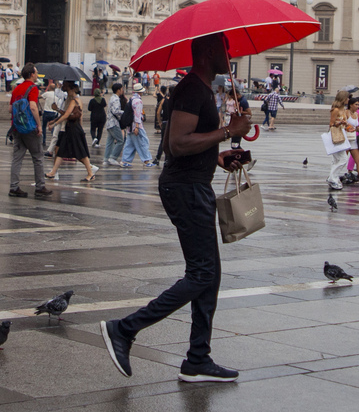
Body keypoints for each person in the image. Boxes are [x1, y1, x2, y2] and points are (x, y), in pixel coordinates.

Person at [100, 32, 249, 383]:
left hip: (193, 185)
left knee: (209, 274)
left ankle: (198, 358)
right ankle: (124, 329)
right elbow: (178, 144)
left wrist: (218, 157)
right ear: (208, 52)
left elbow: (182, 144)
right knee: (202, 274)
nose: (229, 55)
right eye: (224, 48)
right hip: (186, 190)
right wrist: (227, 131)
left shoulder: (200, 89)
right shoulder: (192, 89)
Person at [7, 64, 49, 197]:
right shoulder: (33, 88)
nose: (37, 75)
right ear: (31, 74)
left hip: (17, 127)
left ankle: (14, 187)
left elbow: (10, 109)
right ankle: (40, 186)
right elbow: (33, 107)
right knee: (38, 157)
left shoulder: (17, 88)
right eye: (36, 73)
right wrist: (39, 125)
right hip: (30, 128)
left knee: (17, 158)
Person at [47, 81, 99, 182]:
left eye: (68, 90)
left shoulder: (73, 101)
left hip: (73, 128)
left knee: (80, 152)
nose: (67, 92)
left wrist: (54, 124)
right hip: (73, 128)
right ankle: (53, 172)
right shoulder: (77, 100)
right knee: (61, 151)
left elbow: (66, 115)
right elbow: (76, 115)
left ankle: (90, 172)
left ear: (72, 90)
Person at [325, 91, 356, 191]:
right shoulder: (336, 110)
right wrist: (339, 123)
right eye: (347, 98)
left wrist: (347, 127)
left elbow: (343, 124)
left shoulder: (343, 110)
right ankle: (332, 177)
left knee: (336, 160)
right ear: (343, 99)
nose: (348, 100)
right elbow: (331, 124)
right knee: (343, 159)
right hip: (336, 136)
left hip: (342, 134)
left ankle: (333, 178)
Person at [120, 84, 153, 166]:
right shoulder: (138, 101)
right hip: (136, 126)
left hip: (130, 126)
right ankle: (146, 160)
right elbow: (137, 115)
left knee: (130, 144)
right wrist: (137, 126)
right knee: (143, 142)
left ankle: (125, 160)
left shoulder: (131, 99)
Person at [104, 82, 127, 164]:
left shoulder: (112, 97)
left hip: (109, 122)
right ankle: (113, 157)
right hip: (114, 122)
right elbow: (116, 111)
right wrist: (124, 112)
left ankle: (106, 159)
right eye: (121, 89)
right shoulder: (116, 99)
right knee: (120, 141)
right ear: (118, 90)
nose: (122, 90)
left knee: (109, 142)